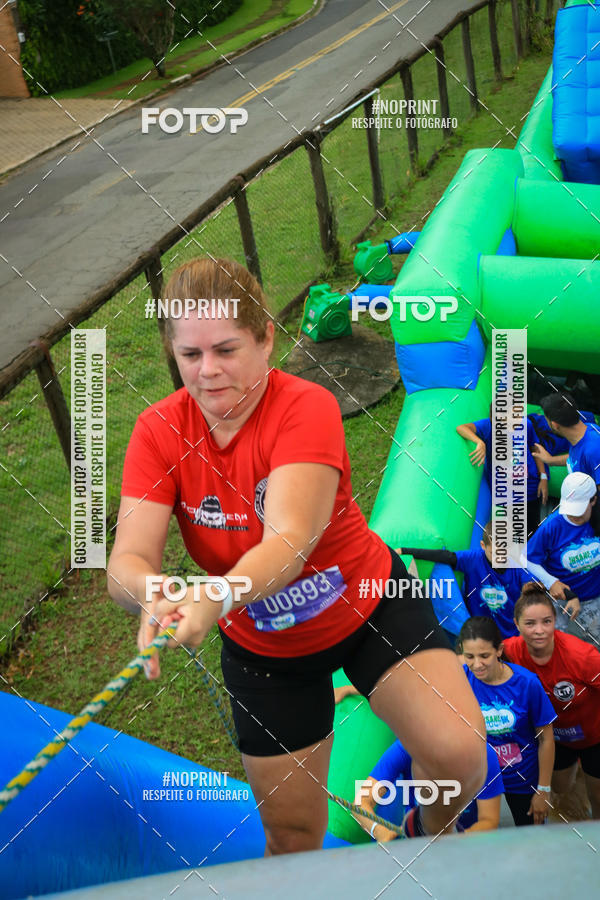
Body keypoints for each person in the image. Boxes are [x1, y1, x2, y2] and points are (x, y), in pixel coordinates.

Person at [107, 257, 487, 854]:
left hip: (371, 606)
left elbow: (288, 541)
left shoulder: (305, 406)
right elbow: (126, 557)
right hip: (267, 651)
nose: (208, 373)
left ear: (267, 341)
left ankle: (430, 844)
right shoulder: (158, 431)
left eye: (227, 350)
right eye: (190, 356)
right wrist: (152, 590)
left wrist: (218, 592)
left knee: (460, 753)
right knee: (289, 835)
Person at [504, 582, 600, 819]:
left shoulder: (582, 656)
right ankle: (576, 774)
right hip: (556, 738)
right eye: (530, 623)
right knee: (559, 787)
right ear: (516, 625)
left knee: (598, 796)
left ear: (555, 621)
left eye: (547, 621)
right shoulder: (510, 650)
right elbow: (475, 657)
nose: (540, 631)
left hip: (596, 736)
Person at [458, 616, 556, 827]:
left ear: (499, 650)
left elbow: (546, 739)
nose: (477, 664)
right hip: (479, 779)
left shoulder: (527, 684)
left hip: (522, 779)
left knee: (532, 839)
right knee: (475, 840)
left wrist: (544, 789)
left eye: (484, 655)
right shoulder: (460, 678)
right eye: (470, 656)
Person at [353, 735, 504, 840]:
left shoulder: (482, 753)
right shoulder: (405, 747)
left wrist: (455, 839)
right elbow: (360, 802)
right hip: (417, 841)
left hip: (467, 842)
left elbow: (489, 820)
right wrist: (379, 831)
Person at [398, 522, 533, 638]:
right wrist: (404, 550)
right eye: (494, 553)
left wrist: (530, 588)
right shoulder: (473, 559)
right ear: (483, 546)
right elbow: (445, 556)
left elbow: (529, 583)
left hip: (511, 632)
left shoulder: (516, 564)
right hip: (481, 632)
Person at [522, 472, 600, 646]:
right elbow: (526, 559)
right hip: (562, 600)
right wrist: (552, 582)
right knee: (559, 646)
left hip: (595, 600)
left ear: (593, 501)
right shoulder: (552, 526)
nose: (574, 516)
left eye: (579, 512)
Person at [457, 407, 547, 533]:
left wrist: (543, 477)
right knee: (514, 531)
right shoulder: (487, 426)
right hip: (506, 494)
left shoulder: (526, 424)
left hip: (529, 488)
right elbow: (461, 428)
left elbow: (534, 448)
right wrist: (479, 442)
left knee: (531, 529)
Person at [532, 391, 600, 485]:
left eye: (546, 419)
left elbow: (592, 457)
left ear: (554, 425)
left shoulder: (593, 450)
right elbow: (580, 458)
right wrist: (550, 460)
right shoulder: (587, 429)